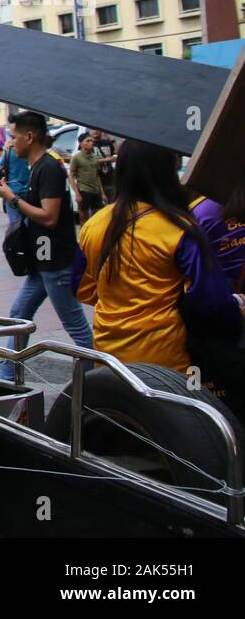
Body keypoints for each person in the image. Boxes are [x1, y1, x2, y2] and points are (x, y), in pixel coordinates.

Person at [75, 140, 245, 414]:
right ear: (168, 171)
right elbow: (210, 303)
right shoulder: (179, 227)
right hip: (171, 365)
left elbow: (81, 289)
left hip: (111, 359)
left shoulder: (93, 225)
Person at [0, 111, 91, 380]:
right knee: (19, 313)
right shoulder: (36, 167)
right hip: (42, 260)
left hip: (56, 263)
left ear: (30, 136)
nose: (11, 143)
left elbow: (49, 217)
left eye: (13, 137)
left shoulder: (48, 168)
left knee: (76, 326)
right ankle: (8, 375)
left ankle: (97, 381)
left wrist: (12, 198)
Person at [69, 134, 106, 223]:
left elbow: (97, 175)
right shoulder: (76, 158)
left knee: (99, 217)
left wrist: (102, 193)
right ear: (81, 144)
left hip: (95, 190)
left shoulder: (94, 157)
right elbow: (71, 175)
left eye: (92, 141)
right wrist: (77, 194)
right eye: (88, 141)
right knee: (83, 218)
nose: (91, 143)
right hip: (84, 190)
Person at [0, 143, 31, 226]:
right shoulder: (28, 151)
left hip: (12, 190)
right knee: (29, 218)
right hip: (28, 189)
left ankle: (18, 236)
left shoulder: (9, 153)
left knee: (15, 222)